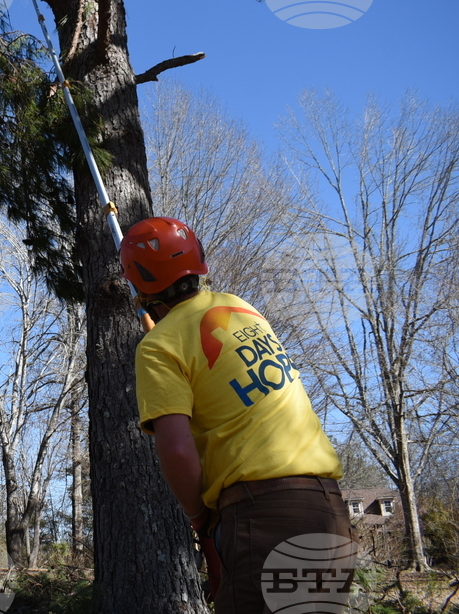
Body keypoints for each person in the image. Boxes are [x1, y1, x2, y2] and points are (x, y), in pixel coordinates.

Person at [120, 216, 356, 613]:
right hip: (327, 509)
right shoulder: (242, 308)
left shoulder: (159, 346)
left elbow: (176, 450)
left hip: (265, 520)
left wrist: (198, 518)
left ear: (139, 282)